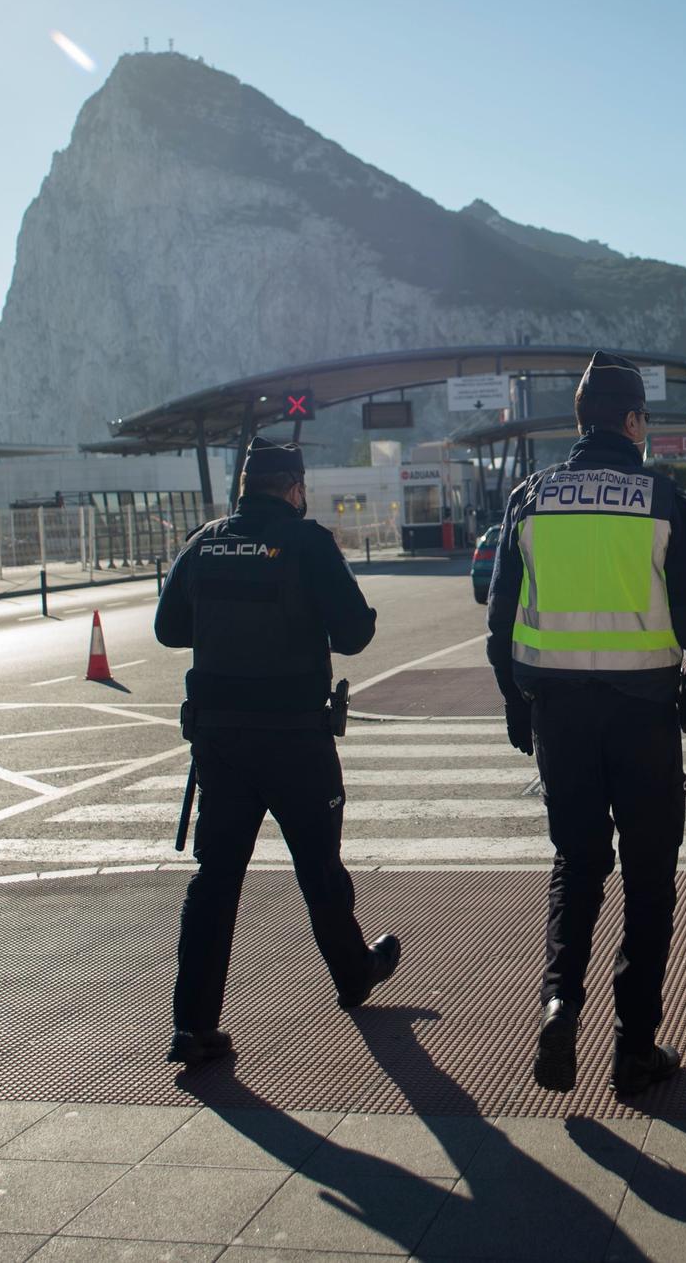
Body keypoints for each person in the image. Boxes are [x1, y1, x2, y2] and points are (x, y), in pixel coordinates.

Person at [486, 351, 686, 1096]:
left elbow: (501, 622)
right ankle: (634, 1050)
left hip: (559, 720)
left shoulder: (529, 497)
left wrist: (514, 702)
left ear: (577, 420)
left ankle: (560, 1002)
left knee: (576, 861)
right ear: (632, 422)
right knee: (649, 880)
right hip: (644, 719)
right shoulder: (662, 498)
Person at [154, 435, 403, 1065]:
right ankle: (353, 974)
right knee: (319, 868)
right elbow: (353, 634)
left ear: (243, 487)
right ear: (292, 487)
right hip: (294, 739)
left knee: (215, 879)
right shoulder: (306, 541)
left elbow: (167, 629)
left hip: (222, 742)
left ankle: (192, 1025)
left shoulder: (204, 541)